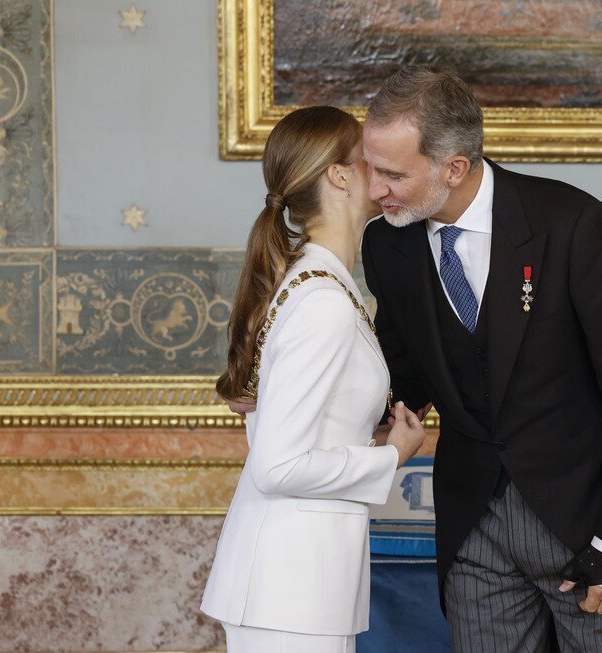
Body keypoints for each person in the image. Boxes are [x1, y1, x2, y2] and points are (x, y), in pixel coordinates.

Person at [359, 68, 602, 652]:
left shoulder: (575, 226)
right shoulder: (386, 242)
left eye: (391, 173)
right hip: (473, 529)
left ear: (454, 168)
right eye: (370, 167)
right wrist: (289, 392)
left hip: (587, 527)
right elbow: (401, 372)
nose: (373, 189)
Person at [201, 105, 426, 653]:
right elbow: (278, 465)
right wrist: (391, 456)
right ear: (340, 175)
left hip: (302, 582)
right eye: (370, 158)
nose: (386, 171)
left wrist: (360, 434)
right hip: (290, 586)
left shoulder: (325, 284)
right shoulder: (323, 299)